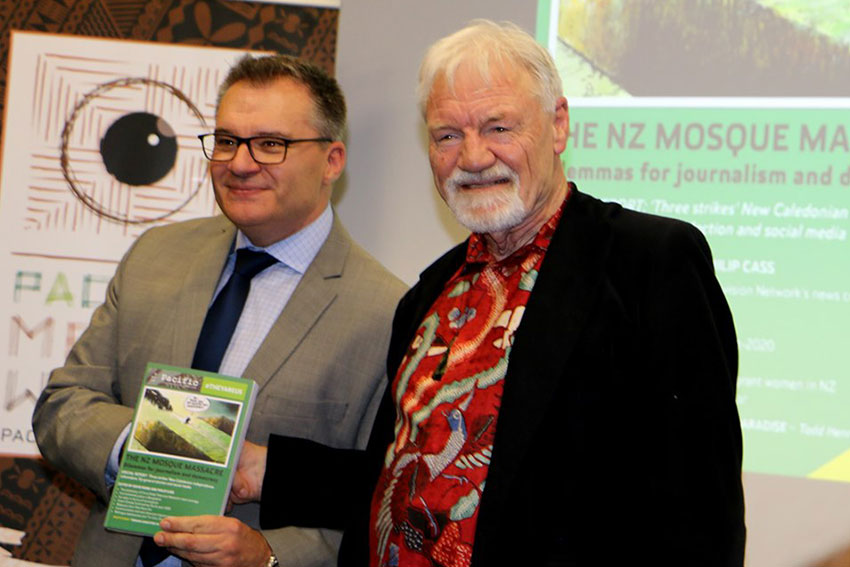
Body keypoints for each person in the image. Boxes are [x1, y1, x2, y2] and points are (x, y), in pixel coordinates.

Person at [166, 19, 746, 567]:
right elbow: (403, 476)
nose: (472, 157)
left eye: (498, 127)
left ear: (558, 124)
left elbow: (701, 505)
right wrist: (268, 471)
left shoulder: (648, 262)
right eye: (448, 134)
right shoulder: (430, 294)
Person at [32, 54, 406, 567]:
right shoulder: (155, 256)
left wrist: (268, 554)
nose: (240, 163)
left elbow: (385, 500)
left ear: (333, 161)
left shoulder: (388, 312)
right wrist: (145, 447)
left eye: (271, 144)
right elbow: (62, 404)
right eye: (227, 140)